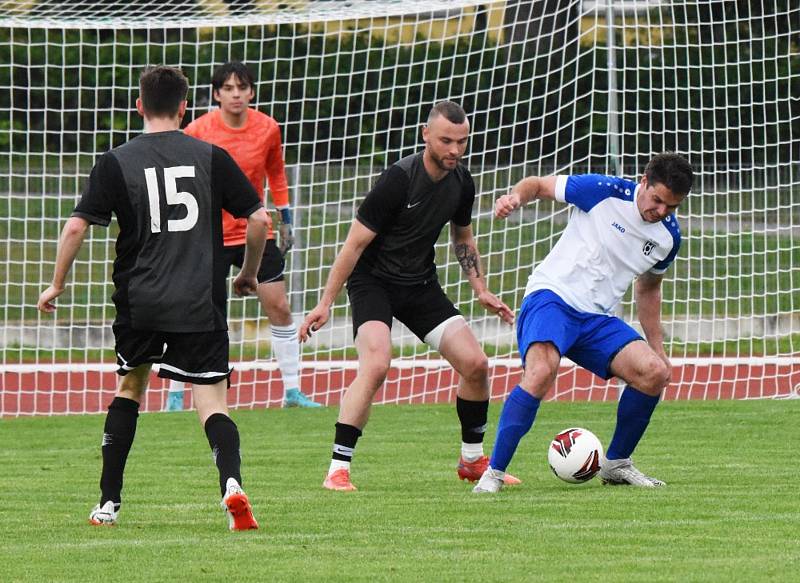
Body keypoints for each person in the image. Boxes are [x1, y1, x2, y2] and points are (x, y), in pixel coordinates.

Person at [37, 65, 268, 529]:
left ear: (140, 106)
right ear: (185, 108)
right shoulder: (211, 155)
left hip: (139, 300)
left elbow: (77, 225)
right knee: (213, 402)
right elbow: (260, 219)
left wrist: (57, 283)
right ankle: (232, 485)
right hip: (199, 300)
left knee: (129, 389)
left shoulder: (116, 160)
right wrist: (247, 274)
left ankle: (108, 504)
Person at [299, 100, 521, 491]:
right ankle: (338, 468)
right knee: (378, 363)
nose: (454, 150)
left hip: (419, 284)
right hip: (373, 283)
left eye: (462, 142)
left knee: (476, 364)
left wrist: (481, 289)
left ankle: (471, 460)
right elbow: (353, 246)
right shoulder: (398, 179)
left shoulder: (462, 182)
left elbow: (463, 235)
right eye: (446, 141)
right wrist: (325, 303)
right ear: (426, 136)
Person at [473, 152, 693, 493]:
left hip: (597, 319)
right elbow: (539, 185)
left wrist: (659, 349)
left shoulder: (668, 238)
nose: (661, 211)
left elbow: (648, 290)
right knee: (541, 371)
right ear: (644, 182)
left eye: (672, 207)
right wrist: (515, 196)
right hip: (552, 299)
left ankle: (617, 464)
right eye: (657, 200)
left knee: (655, 373)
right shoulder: (602, 190)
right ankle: (494, 473)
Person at [164, 60, 320, 411]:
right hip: (208, 234)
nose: (236, 95)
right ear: (217, 94)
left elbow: (276, 175)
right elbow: (179, 179)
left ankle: (292, 392)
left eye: (242, 88)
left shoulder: (268, 128)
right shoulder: (198, 131)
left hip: (255, 231)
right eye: (229, 89)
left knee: (279, 305)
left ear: (251, 92)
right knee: (193, 311)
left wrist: (286, 218)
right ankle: (175, 394)